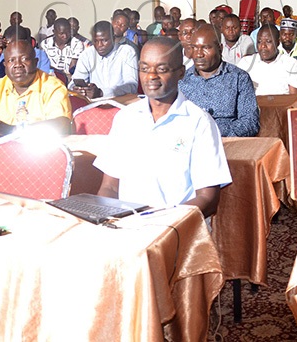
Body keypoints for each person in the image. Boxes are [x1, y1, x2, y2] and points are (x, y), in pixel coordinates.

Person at [95, 37, 231, 216]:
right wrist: (107, 217)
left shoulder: (199, 122)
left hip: (177, 231)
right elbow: (109, 187)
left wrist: (166, 224)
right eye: (144, 69)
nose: (151, 76)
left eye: (162, 69)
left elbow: (208, 199)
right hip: (128, 227)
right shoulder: (125, 118)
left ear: (181, 73)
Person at [0, 40, 73, 139]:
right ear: (5, 65)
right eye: (11, 60)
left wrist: (12, 131)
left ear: (35, 62)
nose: (17, 65)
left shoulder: (52, 86)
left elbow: (62, 125)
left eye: (24, 59)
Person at [179, 24, 259, 137]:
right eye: (194, 47)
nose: (198, 54)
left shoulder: (239, 78)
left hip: (228, 146)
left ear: (220, 48)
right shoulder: (182, 81)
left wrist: (214, 132)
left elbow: (250, 122)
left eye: (205, 47)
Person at [69, 21, 139, 99]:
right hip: (93, 105)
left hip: (121, 104)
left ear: (113, 38)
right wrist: (77, 89)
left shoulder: (127, 52)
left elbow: (132, 86)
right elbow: (75, 81)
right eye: (96, 41)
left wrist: (102, 92)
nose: (99, 45)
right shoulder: (87, 54)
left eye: (104, 40)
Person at [238, 25, 297, 95]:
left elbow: (295, 99)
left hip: (282, 105)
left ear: (278, 42)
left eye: (268, 41)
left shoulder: (291, 64)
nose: (263, 46)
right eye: (259, 42)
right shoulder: (245, 63)